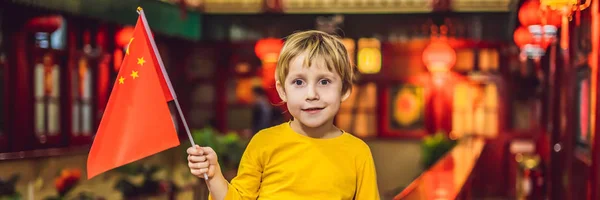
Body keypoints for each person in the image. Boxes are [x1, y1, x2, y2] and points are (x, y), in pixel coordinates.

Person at [187, 30, 380, 200]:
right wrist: (214, 176)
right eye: (298, 82)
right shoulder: (264, 143)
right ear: (282, 90)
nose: (311, 94)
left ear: (344, 89)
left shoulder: (357, 153)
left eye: (324, 82)